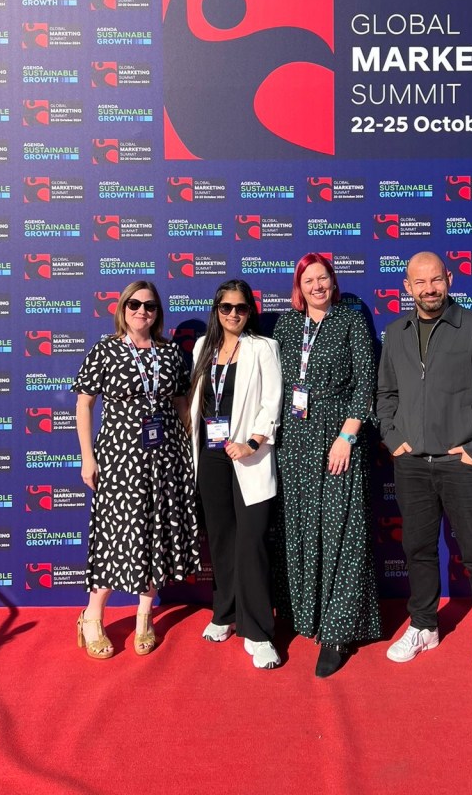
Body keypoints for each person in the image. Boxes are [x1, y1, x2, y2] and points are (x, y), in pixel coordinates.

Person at [376, 252, 472, 692]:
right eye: (420, 282)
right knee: (418, 550)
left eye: (436, 280)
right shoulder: (396, 334)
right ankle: (424, 625)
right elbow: (385, 393)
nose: (429, 289)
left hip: (463, 467)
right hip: (413, 466)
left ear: (449, 280)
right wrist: (392, 436)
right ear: (407, 287)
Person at [72, 280, 199, 659]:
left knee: (155, 533)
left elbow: (180, 404)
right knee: (117, 534)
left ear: (158, 313)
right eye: (134, 304)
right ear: (123, 309)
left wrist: (188, 452)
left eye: (150, 306)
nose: (142, 311)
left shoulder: (170, 352)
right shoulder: (106, 350)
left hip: (165, 458)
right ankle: (92, 617)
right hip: (119, 458)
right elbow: (83, 404)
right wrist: (87, 457)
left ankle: (145, 614)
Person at [273, 253, 381, 677]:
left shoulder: (352, 321)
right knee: (299, 528)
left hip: (339, 439)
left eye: (324, 278)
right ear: (298, 286)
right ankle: (305, 616)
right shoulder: (283, 326)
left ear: (334, 283)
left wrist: (347, 436)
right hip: (293, 441)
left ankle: (338, 630)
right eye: (309, 279)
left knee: (343, 530)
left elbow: (366, 384)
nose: (317, 286)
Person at [189, 280, 283, 669]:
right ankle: (224, 612)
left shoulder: (263, 347)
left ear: (250, 311)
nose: (232, 314)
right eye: (226, 308)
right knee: (223, 539)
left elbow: (272, 400)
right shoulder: (201, 347)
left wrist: (253, 442)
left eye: (240, 308)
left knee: (251, 541)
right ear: (216, 310)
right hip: (210, 455)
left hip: (248, 455)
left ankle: (259, 631)